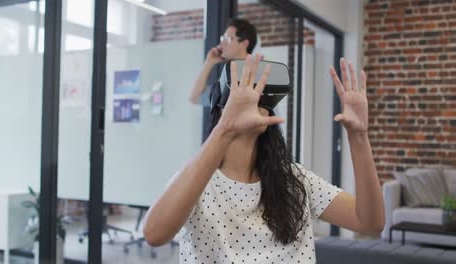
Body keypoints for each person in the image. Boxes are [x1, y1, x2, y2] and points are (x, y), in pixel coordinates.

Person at [143, 55, 385, 263]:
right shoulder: (197, 181)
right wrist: (226, 129)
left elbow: (370, 222)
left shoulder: (295, 179)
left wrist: (359, 137)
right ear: (220, 110)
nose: (252, 99)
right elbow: (154, 234)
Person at [189, 18, 257, 106]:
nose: (222, 44)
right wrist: (209, 62)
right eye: (223, 39)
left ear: (244, 44)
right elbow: (195, 98)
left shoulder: (256, 73)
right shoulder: (227, 77)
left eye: (227, 39)